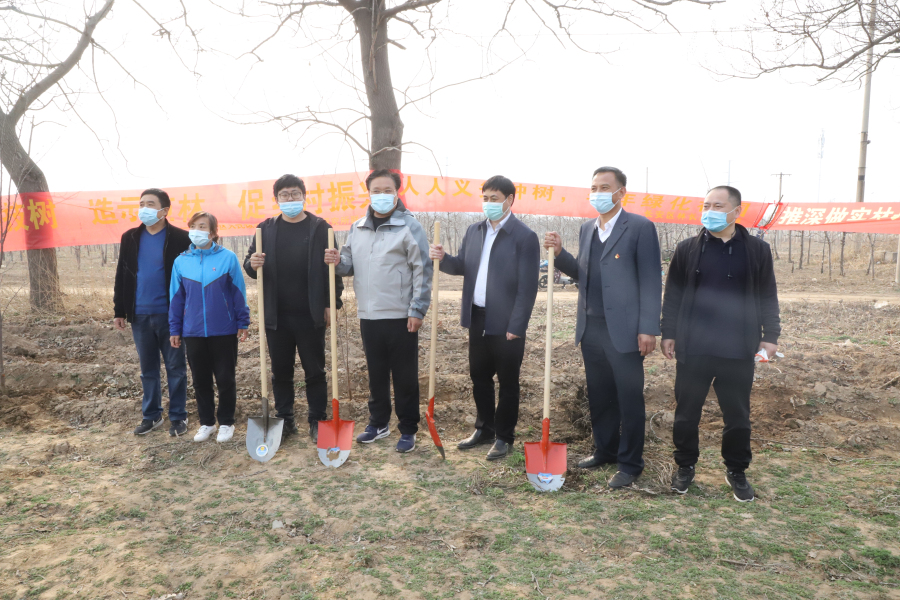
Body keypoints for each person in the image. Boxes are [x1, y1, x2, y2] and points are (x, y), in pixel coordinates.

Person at [544, 166, 661, 489]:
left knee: (629, 398)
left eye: (605, 187)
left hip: (625, 330)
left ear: (621, 192)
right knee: (600, 395)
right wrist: (560, 254)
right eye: (594, 187)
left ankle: (630, 463)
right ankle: (605, 450)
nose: (598, 193)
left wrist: (648, 328)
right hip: (591, 327)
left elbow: (651, 281)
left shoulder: (639, 227)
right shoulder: (587, 229)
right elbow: (583, 273)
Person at [661, 186, 780, 502]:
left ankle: (736, 470)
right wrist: (668, 332)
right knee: (687, 414)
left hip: (738, 348)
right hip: (694, 347)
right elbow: (672, 295)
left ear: (736, 211)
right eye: (706, 205)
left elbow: (767, 295)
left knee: (737, 416)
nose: (709, 211)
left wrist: (770, 336)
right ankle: (685, 466)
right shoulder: (688, 249)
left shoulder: (756, 250)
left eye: (717, 206)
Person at [429, 175, 539, 460]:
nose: (489, 203)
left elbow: (528, 288)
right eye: (485, 198)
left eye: (494, 198)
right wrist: (443, 258)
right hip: (477, 317)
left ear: (509, 200)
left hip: (506, 322)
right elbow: (462, 266)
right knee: (479, 376)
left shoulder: (524, 237)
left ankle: (504, 437)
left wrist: (517, 325)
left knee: (508, 381)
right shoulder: (474, 230)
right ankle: (485, 429)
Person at [324, 169, 432, 453]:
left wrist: (417, 309)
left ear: (397, 193)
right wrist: (336, 260)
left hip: (400, 315)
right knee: (376, 373)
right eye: (376, 190)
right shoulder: (357, 227)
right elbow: (349, 264)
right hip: (369, 314)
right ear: (368, 193)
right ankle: (378, 422)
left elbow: (422, 269)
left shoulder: (409, 226)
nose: (381, 195)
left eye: (387, 190)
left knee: (405, 376)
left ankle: (408, 428)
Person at [244, 174, 343, 443]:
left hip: (311, 313)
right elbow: (250, 266)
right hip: (277, 315)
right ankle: (285, 419)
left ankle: (317, 420)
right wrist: (252, 264)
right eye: (284, 195)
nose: (290, 199)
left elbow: (333, 270)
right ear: (276, 199)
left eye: (295, 193)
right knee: (281, 372)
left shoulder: (321, 228)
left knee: (315, 371)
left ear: (304, 196)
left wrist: (331, 303)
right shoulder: (265, 229)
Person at [113, 188, 192, 437]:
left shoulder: (181, 238)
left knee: (176, 367)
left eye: (150, 204)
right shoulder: (130, 237)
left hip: (171, 315)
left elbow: (190, 277)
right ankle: (152, 415)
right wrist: (119, 310)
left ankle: (178, 416)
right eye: (141, 204)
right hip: (140, 314)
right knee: (148, 370)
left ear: (164, 210)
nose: (144, 208)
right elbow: (122, 274)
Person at [169, 212, 250, 443]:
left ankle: (226, 422)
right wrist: (175, 329)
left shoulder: (228, 258)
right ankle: (206, 423)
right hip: (193, 331)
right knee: (200, 380)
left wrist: (242, 321)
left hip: (224, 330)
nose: (197, 230)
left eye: (202, 226)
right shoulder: (181, 261)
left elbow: (238, 292)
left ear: (213, 232)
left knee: (225, 379)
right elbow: (176, 298)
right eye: (193, 226)